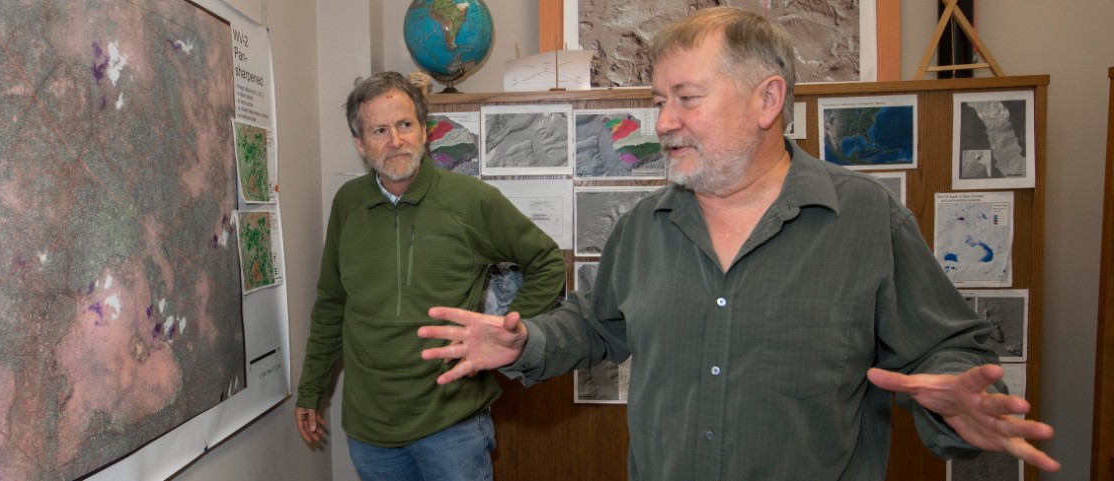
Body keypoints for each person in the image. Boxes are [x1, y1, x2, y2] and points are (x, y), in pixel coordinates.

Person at [417, 7, 1059, 480]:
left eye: (687, 98)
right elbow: (595, 325)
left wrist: (953, 393)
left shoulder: (867, 219)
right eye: (658, 100)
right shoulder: (645, 226)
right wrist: (526, 340)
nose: (663, 121)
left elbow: (949, 348)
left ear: (767, 100)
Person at [295, 71, 565, 481]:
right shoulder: (347, 205)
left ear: (425, 130)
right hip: (372, 432)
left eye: (405, 125)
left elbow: (547, 261)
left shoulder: (470, 200)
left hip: (452, 426)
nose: (395, 140)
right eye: (379, 130)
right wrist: (311, 389)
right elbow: (332, 304)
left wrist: (504, 330)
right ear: (360, 143)